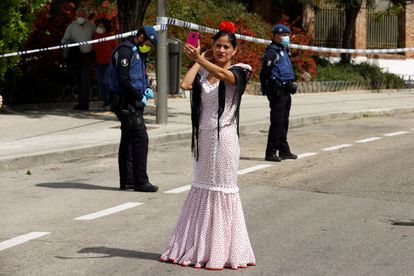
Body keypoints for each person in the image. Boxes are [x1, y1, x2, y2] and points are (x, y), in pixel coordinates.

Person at [160, 21, 256, 270]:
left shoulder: (240, 70)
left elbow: (227, 77)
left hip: (224, 138)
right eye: (217, 46)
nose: (222, 50)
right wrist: (198, 58)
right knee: (203, 188)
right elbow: (185, 85)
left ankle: (224, 251)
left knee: (222, 191)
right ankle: (197, 247)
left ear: (234, 50)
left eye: (226, 47)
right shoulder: (204, 69)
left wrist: (203, 61)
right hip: (203, 137)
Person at [109, 26, 158, 192]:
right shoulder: (125, 51)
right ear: (141, 36)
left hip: (132, 101)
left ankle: (128, 181)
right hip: (125, 102)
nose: (149, 47)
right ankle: (140, 181)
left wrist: (145, 90)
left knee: (129, 140)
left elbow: (136, 76)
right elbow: (123, 79)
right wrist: (139, 96)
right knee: (140, 138)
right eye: (148, 43)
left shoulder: (138, 51)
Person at [260, 24, 298, 162]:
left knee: (284, 121)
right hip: (277, 90)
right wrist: (265, 88)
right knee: (277, 122)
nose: (286, 38)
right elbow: (265, 72)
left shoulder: (284, 50)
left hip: (286, 89)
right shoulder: (272, 51)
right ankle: (271, 152)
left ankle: (284, 150)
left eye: (287, 35)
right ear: (275, 36)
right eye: (283, 35)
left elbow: (285, 69)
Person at [62, 7, 96, 111]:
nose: (81, 18)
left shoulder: (91, 26)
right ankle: (81, 101)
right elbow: (64, 40)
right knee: (78, 79)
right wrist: (65, 52)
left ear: (86, 17)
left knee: (85, 79)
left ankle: (84, 102)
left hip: (88, 55)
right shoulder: (71, 27)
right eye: (79, 16)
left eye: (83, 16)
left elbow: (98, 38)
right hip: (76, 56)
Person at [93, 18, 117, 110]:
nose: (99, 28)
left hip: (108, 64)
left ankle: (112, 102)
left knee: (106, 82)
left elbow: (115, 50)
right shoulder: (95, 37)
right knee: (101, 83)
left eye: (101, 26)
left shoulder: (110, 37)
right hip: (98, 64)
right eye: (98, 26)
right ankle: (106, 102)